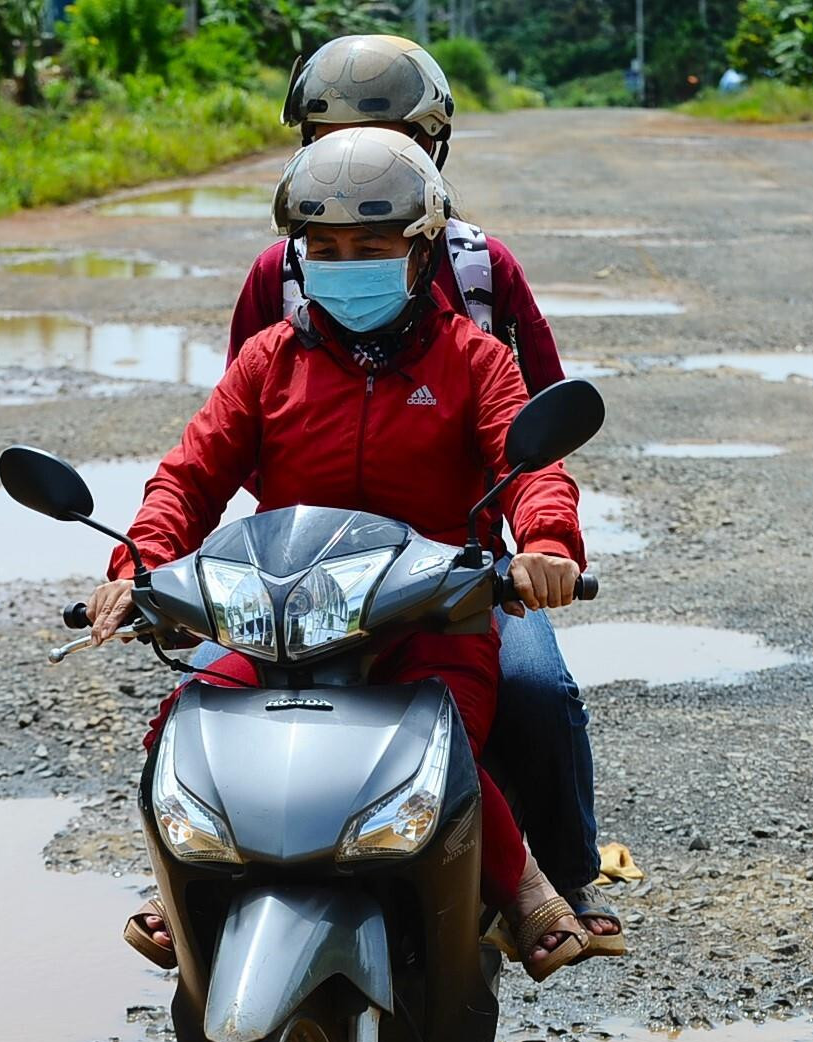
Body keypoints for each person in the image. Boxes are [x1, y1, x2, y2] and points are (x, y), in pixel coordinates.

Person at [89, 128, 619, 981]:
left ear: (420, 253)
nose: (346, 264)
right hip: (282, 613)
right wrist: (137, 568)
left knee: (436, 745)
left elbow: (531, 470)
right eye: (324, 248)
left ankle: (530, 893)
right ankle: (186, 880)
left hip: (431, 613)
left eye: (369, 246)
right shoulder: (270, 363)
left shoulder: (474, 360)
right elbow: (189, 475)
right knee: (188, 721)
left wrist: (546, 545)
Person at [224, 34, 622, 942]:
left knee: (535, 695)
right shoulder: (281, 274)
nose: (360, 157)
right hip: (306, 565)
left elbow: (539, 423)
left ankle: (563, 882)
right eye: (332, 135)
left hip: (458, 559)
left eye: (389, 137)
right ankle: (199, 883)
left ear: (433, 151)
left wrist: (534, 541)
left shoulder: (482, 272)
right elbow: (230, 433)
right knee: (209, 696)